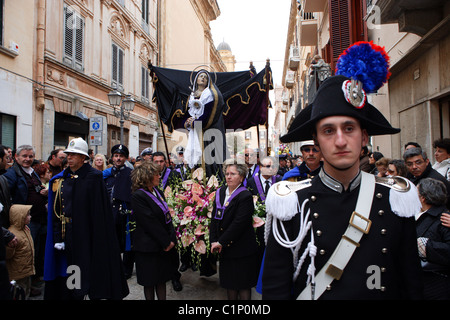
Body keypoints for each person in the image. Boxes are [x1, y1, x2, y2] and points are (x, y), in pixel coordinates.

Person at [263, 73, 423, 299]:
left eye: (349, 128)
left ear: (364, 137)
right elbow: (275, 290)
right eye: (328, 131)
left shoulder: (395, 199)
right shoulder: (291, 203)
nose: (340, 141)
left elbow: (411, 284)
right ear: (316, 141)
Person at [44, 137, 129, 300]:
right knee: (73, 271)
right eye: (68, 154)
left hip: (90, 235)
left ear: (83, 158)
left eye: (74, 154)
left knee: (92, 272)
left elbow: (100, 211)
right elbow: (57, 210)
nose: (69, 157)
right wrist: (58, 236)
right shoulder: (62, 179)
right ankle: (75, 295)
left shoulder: (94, 177)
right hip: (69, 236)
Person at [210, 159, 259, 300]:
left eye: (233, 174)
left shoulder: (245, 196)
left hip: (241, 249)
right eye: (226, 173)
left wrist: (221, 241)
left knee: (243, 286)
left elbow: (239, 224)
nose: (229, 177)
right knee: (230, 285)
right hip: (225, 248)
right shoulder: (220, 192)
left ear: (242, 177)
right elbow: (214, 218)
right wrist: (214, 240)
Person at [4, 145, 47, 294]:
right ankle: (24, 288)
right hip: (25, 222)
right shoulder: (11, 174)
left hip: (38, 218)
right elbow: (8, 196)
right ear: (16, 157)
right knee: (25, 255)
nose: (27, 159)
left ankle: (33, 281)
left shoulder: (32, 172)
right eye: (24, 156)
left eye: (30, 156)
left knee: (36, 251)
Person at [130, 161, 176, 300]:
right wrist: (166, 241)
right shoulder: (138, 196)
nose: (159, 177)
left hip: (161, 246)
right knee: (149, 283)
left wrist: (172, 238)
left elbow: (166, 215)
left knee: (161, 280)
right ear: (147, 176)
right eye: (156, 174)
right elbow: (150, 222)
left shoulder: (156, 191)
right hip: (148, 247)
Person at [183, 69, 227, 179]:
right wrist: (188, 122)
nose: (203, 78)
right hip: (195, 134)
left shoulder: (210, 95)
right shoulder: (191, 96)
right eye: (200, 76)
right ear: (196, 79)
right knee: (194, 158)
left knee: (208, 158)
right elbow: (187, 113)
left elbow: (210, 114)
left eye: (205, 77)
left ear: (208, 81)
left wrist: (195, 123)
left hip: (208, 133)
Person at [103, 144, 134, 279]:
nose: (118, 158)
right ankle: (114, 267)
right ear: (112, 158)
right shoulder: (107, 174)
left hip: (126, 212)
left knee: (128, 243)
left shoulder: (130, 174)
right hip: (111, 212)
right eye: (116, 156)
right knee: (112, 241)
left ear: (125, 158)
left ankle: (127, 269)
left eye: (121, 156)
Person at [416, 178, 450, 299]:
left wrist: (424, 246)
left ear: (423, 198)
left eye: (416, 194)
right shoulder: (419, 214)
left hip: (437, 286)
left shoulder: (444, 219)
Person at [5, 204, 34, 299]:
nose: (30, 217)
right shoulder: (12, 234)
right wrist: (10, 247)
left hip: (27, 271)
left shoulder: (25, 229)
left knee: (26, 292)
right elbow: (8, 255)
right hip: (18, 274)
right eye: (28, 215)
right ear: (20, 217)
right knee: (19, 294)